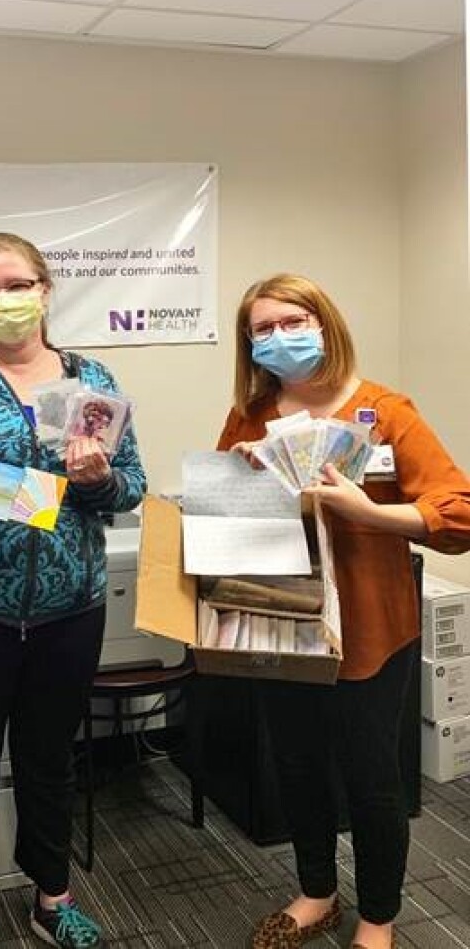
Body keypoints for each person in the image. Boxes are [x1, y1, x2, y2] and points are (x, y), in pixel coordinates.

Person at [0, 232, 147, 949]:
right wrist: (32, 494)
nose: (4, 299)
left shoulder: (92, 376)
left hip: (68, 611)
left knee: (51, 762)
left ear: (46, 288)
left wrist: (101, 482)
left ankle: (53, 897)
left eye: (17, 283)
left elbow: (131, 487)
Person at [217, 273, 470, 949]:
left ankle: (378, 917)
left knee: (371, 779)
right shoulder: (252, 413)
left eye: (291, 321)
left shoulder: (385, 410)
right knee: (296, 766)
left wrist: (373, 512)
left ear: (324, 323)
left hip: (370, 631)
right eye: (262, 328)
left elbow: (459, 512)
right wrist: (243, 476)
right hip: (282, 622)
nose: (278, 336)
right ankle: (316, 893)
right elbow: (222, 516)